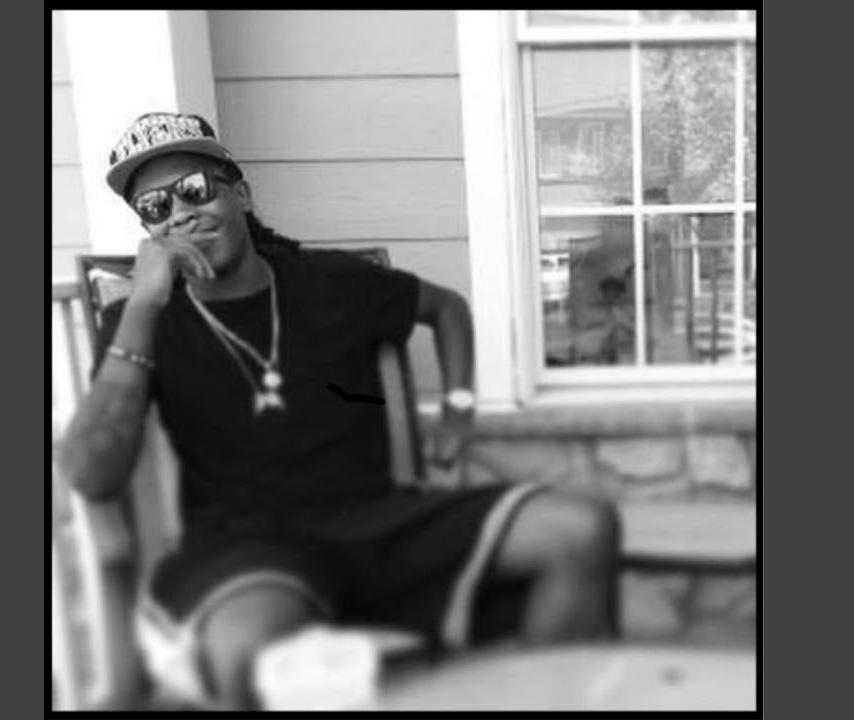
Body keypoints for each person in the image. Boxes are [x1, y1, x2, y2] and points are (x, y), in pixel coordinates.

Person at [58, 112, 622, 710]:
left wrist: (458, 411)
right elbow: (90, 474)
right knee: (250, 647)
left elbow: (446, 308)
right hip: (246, 546)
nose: (179, 213)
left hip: (376, 519)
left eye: (194, 189)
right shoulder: (140, 322)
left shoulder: (330, 281)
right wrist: (142, 305)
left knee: (581, 530)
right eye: (155, 207)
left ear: (240, 194)